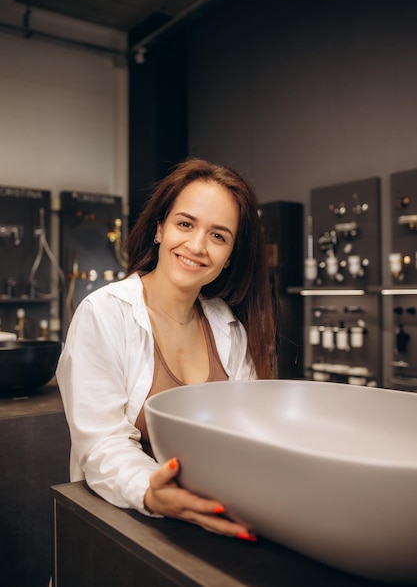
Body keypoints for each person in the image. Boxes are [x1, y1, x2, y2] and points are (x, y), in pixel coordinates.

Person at [56, 157, 278, 541]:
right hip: (127, 530)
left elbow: (248, 435)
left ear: (229, 258)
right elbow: (101, 445)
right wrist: (153, 492)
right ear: (160, 228)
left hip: (215, 524)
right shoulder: (104, 312)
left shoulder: (231, 329)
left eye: (218, 236)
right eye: (185, 224)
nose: (196, 245)